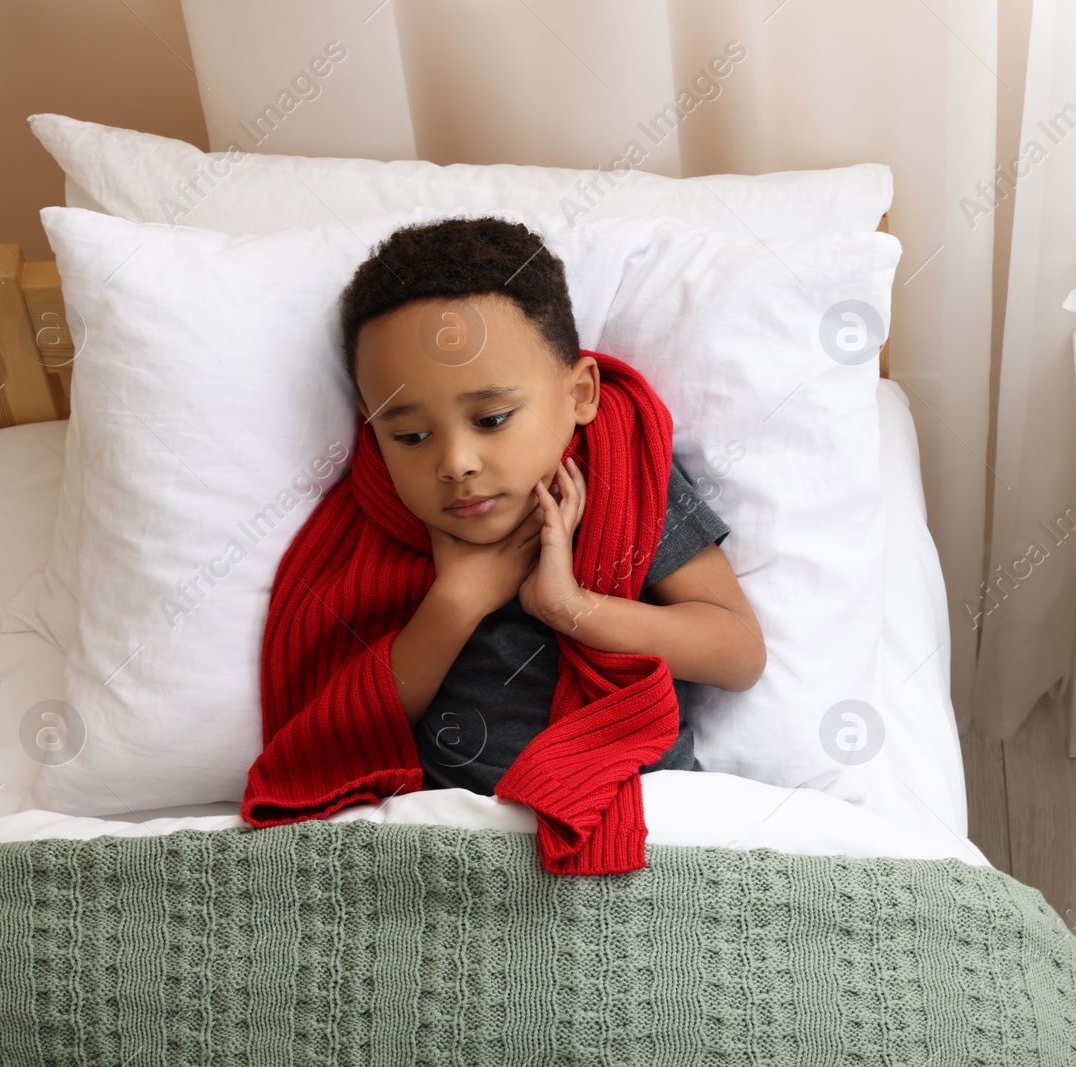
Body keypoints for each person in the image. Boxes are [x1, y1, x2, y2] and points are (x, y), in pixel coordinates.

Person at [241, 216, 766, 874]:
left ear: (578, 395)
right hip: (447, 838)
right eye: (409, 436)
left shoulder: (624, 476)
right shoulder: (378, 518)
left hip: (641, 811)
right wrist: (458, 599)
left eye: (491, 419)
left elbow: (737, 650)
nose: (456, 461)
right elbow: (347, 730)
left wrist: (569, 606)